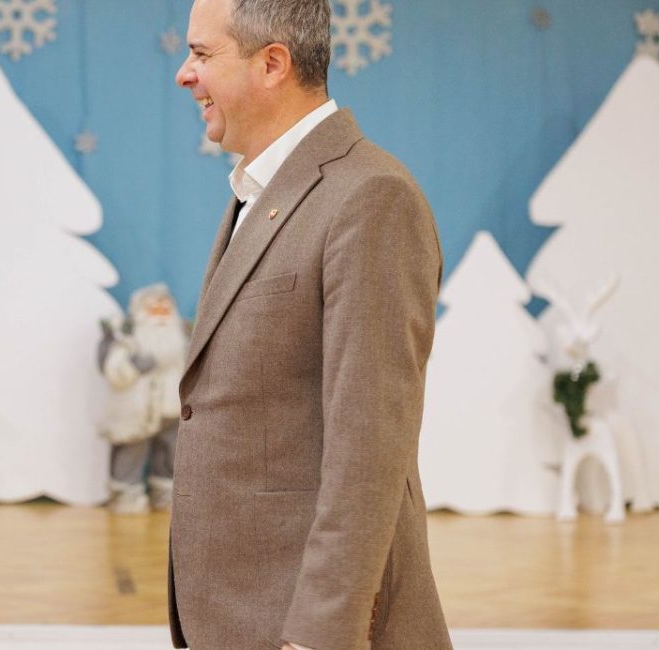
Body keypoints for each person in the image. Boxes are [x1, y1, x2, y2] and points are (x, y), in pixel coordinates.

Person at [167, 0, 452, 647]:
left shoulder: (371, 196)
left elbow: (368, 450)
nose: (184, 74)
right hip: (244, 614)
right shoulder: (261, 192)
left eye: (202, 54)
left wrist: (319, 637)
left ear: (272, 64)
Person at [97, 283, 186, 515]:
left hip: (170, 408)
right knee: (132, 451)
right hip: (136, 410)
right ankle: (126, 495)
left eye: (165, 310)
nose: (160, 316)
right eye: (154, 310)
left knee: (170, 453)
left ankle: (164, 494)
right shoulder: (127, 337)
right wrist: (135, 365)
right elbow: (114, 370)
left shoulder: (180, 339)